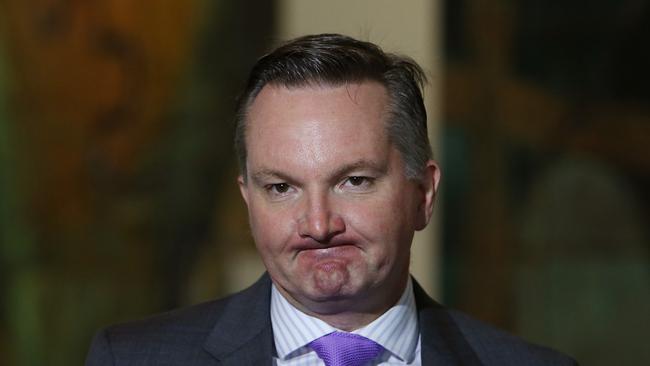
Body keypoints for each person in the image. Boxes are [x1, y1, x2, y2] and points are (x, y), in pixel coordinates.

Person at [85, 33, 577, 366]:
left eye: (354, 181)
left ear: (423, 193)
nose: (318, 224)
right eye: (282, 188)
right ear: (248, 201)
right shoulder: (132, 359)